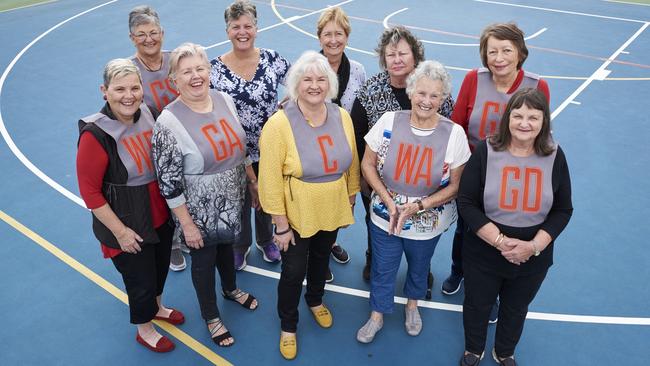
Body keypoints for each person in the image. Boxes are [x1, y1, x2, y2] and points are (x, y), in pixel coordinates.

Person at [442, 23, 551, 324]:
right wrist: (469, 163)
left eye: (506, 50)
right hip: (475, 167)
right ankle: (458, 271)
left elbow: (541, 131)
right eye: (492, 51)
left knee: (507, 229)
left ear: (520, 53)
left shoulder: (537, 85)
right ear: (484, 55)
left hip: (514, 173)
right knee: (468, 227)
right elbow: (457, 125)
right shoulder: (473, 80)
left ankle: (497, 288)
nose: (499, 57)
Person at [152, 43, 258, 348]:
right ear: (174, 80)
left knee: (227, 248)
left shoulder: (224, 99)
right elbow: (168, 181)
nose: (195, 76)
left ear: (209, 72)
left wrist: (251, 181)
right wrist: (186, 224)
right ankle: (211, 316)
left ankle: (230, 289)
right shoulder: (168, 122)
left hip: (232, 197)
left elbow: (240, 147)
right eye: (187, 72)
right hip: (198, 209)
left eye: (200, 69)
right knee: (203, 259)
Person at [356, 61, 470, 343]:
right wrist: (386, 199)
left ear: (443, 99)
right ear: (410, 92)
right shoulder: (389, 121)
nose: (427, 101)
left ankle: (412, 306)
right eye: (421, 93)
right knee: (383, 266)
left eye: (435, 95)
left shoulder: (454, 133)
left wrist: (419, 206)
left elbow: (456, 185)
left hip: (427, 221)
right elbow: (367, 164)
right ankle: (377, 315)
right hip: (386, 215)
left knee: (420, 266)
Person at [458, 88, 572, 366]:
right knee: (477, 304)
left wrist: (532, 247)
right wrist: (499, 241)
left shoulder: (555, 155)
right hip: (484, 251)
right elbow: (466, 202)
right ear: (507, 117)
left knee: (516, 307)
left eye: (533, 117)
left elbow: (562, 209)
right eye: (518, 115)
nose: (524, 123)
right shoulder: (487, 150)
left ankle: (504, 350)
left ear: (544, 121)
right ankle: (474, 348)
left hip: (533, 255)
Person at [77, 58, 184, 353]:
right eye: (120, 89)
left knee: (160, 266)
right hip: (125, 219)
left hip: (158, 211)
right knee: (140, 279)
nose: (129, 95)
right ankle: (144, 328)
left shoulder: (149, 112)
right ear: (105, 91)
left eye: (134, 88)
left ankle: (158, 308)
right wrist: (120, 232)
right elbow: (90, 193)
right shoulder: (95, 135)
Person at [258, 51, 360, 360]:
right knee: (292, 271)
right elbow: (270, 180)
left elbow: (351, 161)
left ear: (330, 84)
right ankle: (288, 324)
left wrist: (351, 197)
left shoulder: (341, 115)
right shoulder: (278, 125)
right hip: (296, 211)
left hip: (331, 204)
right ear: (295, 84)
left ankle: (315, 299)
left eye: (321, 79)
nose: (314, 86)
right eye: (307, 79)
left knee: (320, 261)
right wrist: (280, 224)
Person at [351, 26, 454, 280]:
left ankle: (421, 269)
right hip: (380, 182)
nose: (396, 60)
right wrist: (363, 177)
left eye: (403, 54)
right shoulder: (371, 91)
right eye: (390, 55)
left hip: (423, 182)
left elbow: (449, 132)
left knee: (421, 225)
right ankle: (373, 258)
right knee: (375, 221)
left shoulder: (433, 90)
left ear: (415, 57)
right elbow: (356, 136)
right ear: (383, 59)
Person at [209, 0, 290, 271]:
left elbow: (299, 82)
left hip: (269, 146)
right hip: (232, 149)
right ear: (227, 30)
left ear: (256, 28)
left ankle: (266, 239)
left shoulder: (272, 59)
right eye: (236, 27)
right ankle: (239, 244)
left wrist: (289, 102)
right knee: (240, 198)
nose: (242, 32)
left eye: (247, 26)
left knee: (267, 195)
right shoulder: (214, 70)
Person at [128, 5, 185, 272]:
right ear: (132, 38)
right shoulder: (130, 70)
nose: (148, 39)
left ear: (162, 33)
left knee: (189, 189)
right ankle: (172, 244)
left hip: (186, 138)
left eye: (153, 32)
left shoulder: (175, 59)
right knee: (166, 195)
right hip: (154, 147)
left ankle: (187, 233)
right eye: (141, 34)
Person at [316, 6, 366, 281]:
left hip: (346, 151)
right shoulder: (311, 66)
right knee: (318, 202)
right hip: (316, 152)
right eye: (327, 34)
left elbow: (363, 112)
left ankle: (330, 242)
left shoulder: (357, 70)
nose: (333, 40)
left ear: (346, 36)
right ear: (319, 37)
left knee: (342, 205)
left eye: (338, 33)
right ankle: (317, 253)